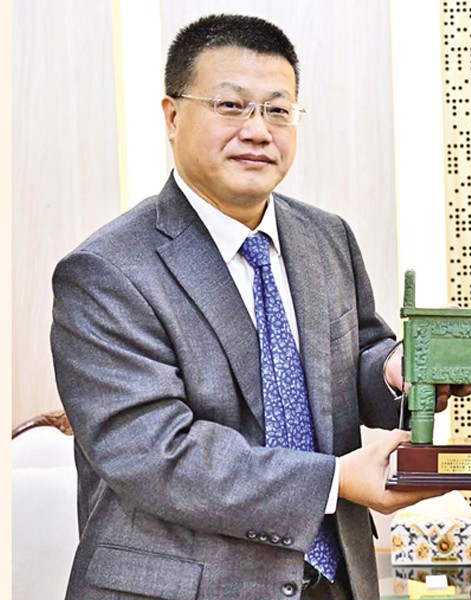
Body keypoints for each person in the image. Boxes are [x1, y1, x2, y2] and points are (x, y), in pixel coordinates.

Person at [50, 14, 439, 599]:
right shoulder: (105, 272)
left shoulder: (327, 236)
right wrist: (335, 480)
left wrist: (394, 369)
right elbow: (157, 454)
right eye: (231, 106)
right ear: (172, 116)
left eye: (278, 110)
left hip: (333, 582)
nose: (259, 130)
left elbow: (357, 353)